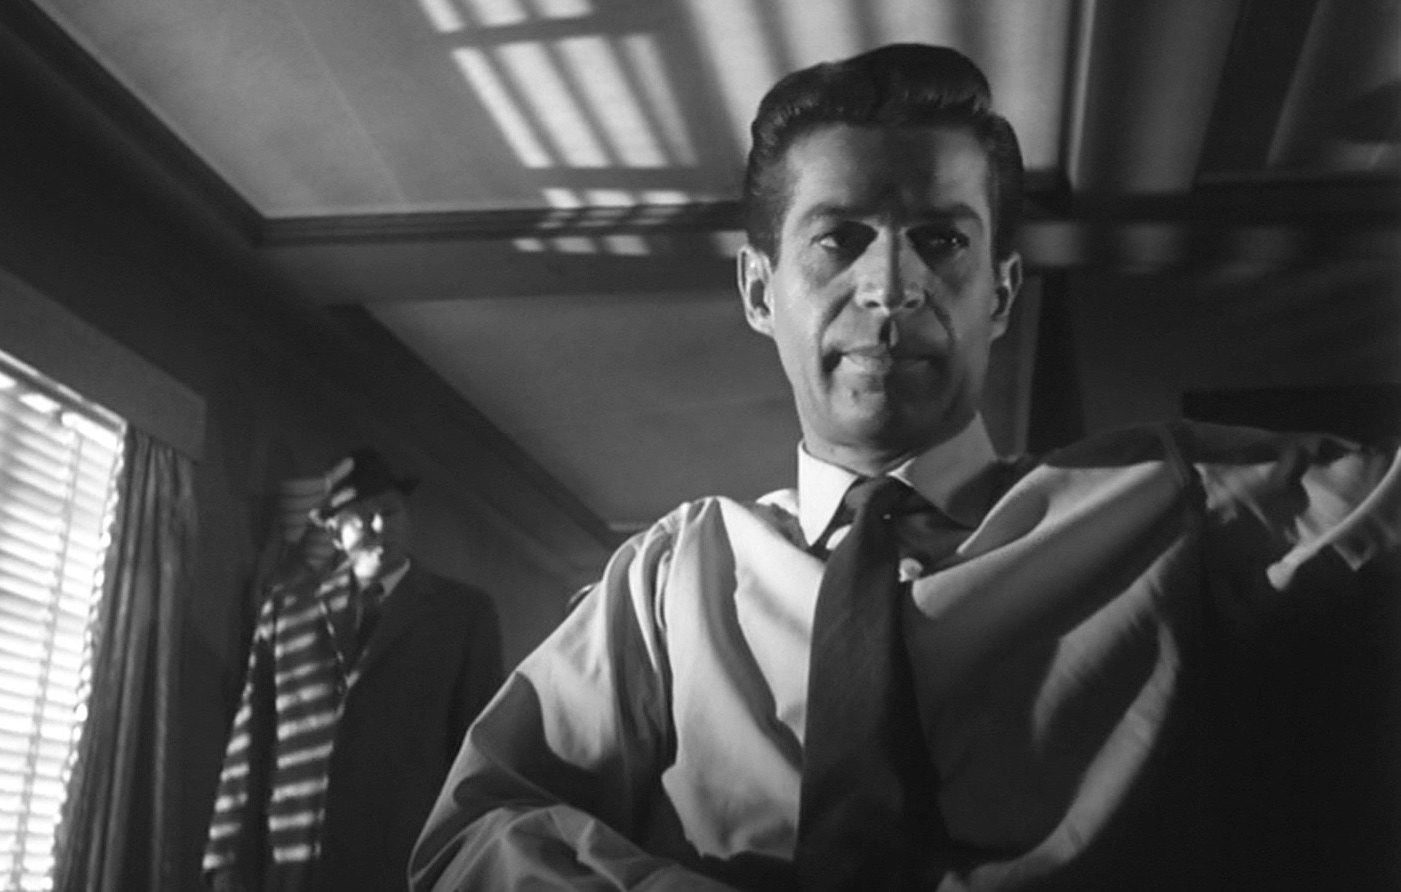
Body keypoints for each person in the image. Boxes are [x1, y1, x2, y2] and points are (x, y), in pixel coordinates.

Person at [409, 44, 1401, 890]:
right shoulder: (670, 579)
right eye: (837, 240)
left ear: (1000, 293)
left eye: (941, 240)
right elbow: (469, 837)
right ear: (758, 290)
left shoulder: (1174, 498)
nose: (890, 287)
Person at [204, 447, 504, 892]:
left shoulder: (463, 614)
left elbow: (477, 752)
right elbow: (252, 738)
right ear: (334, 531)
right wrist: (225, 859)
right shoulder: (287, 610)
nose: (380, 526)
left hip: (401, 864)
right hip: (294, 864)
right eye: (362, 518)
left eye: (390, 512)